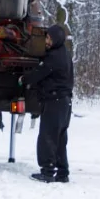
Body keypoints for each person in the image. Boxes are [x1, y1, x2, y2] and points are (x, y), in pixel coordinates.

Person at [22, 24, 73, 183]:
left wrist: (23, 80)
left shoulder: (54, 58)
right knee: (60, 138)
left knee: (47, 137)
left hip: (54, 101)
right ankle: (62, 172)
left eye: (49, 38)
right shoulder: (64, 53)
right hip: (64, 102)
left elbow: (39, 73)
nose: (46, 40)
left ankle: (48, 171)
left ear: (56, 39)